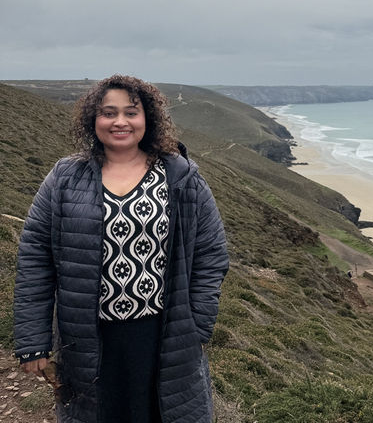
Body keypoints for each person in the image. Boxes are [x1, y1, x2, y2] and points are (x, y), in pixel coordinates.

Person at [13, 75, 229, 423]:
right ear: (93, 119)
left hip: (162, 334)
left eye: (131, 112)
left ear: (148, 119)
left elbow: (211, 254)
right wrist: (33, 341)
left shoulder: (180, 177)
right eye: (108, 112)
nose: (120, 122)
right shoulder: (65, 177)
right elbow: (36, 259)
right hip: (86, 336)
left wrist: (198, 326)